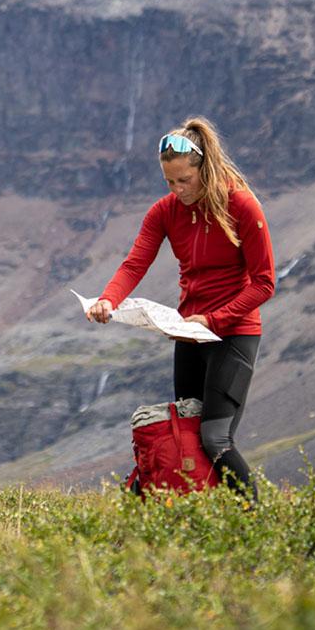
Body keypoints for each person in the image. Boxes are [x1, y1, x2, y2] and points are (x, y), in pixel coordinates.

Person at [86, 116, 275, 500]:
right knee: (186, 431)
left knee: (215, 436)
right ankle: (204, 516)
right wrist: (107, 299)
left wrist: (214, 319)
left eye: (184, 180)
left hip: (233, 334)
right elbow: (134, 264)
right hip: (189, 335)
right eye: (169, 182)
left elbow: (264, 283)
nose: (177, 189)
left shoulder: (241, 205)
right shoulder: (165, 211)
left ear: (204, 169)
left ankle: (255, 519)